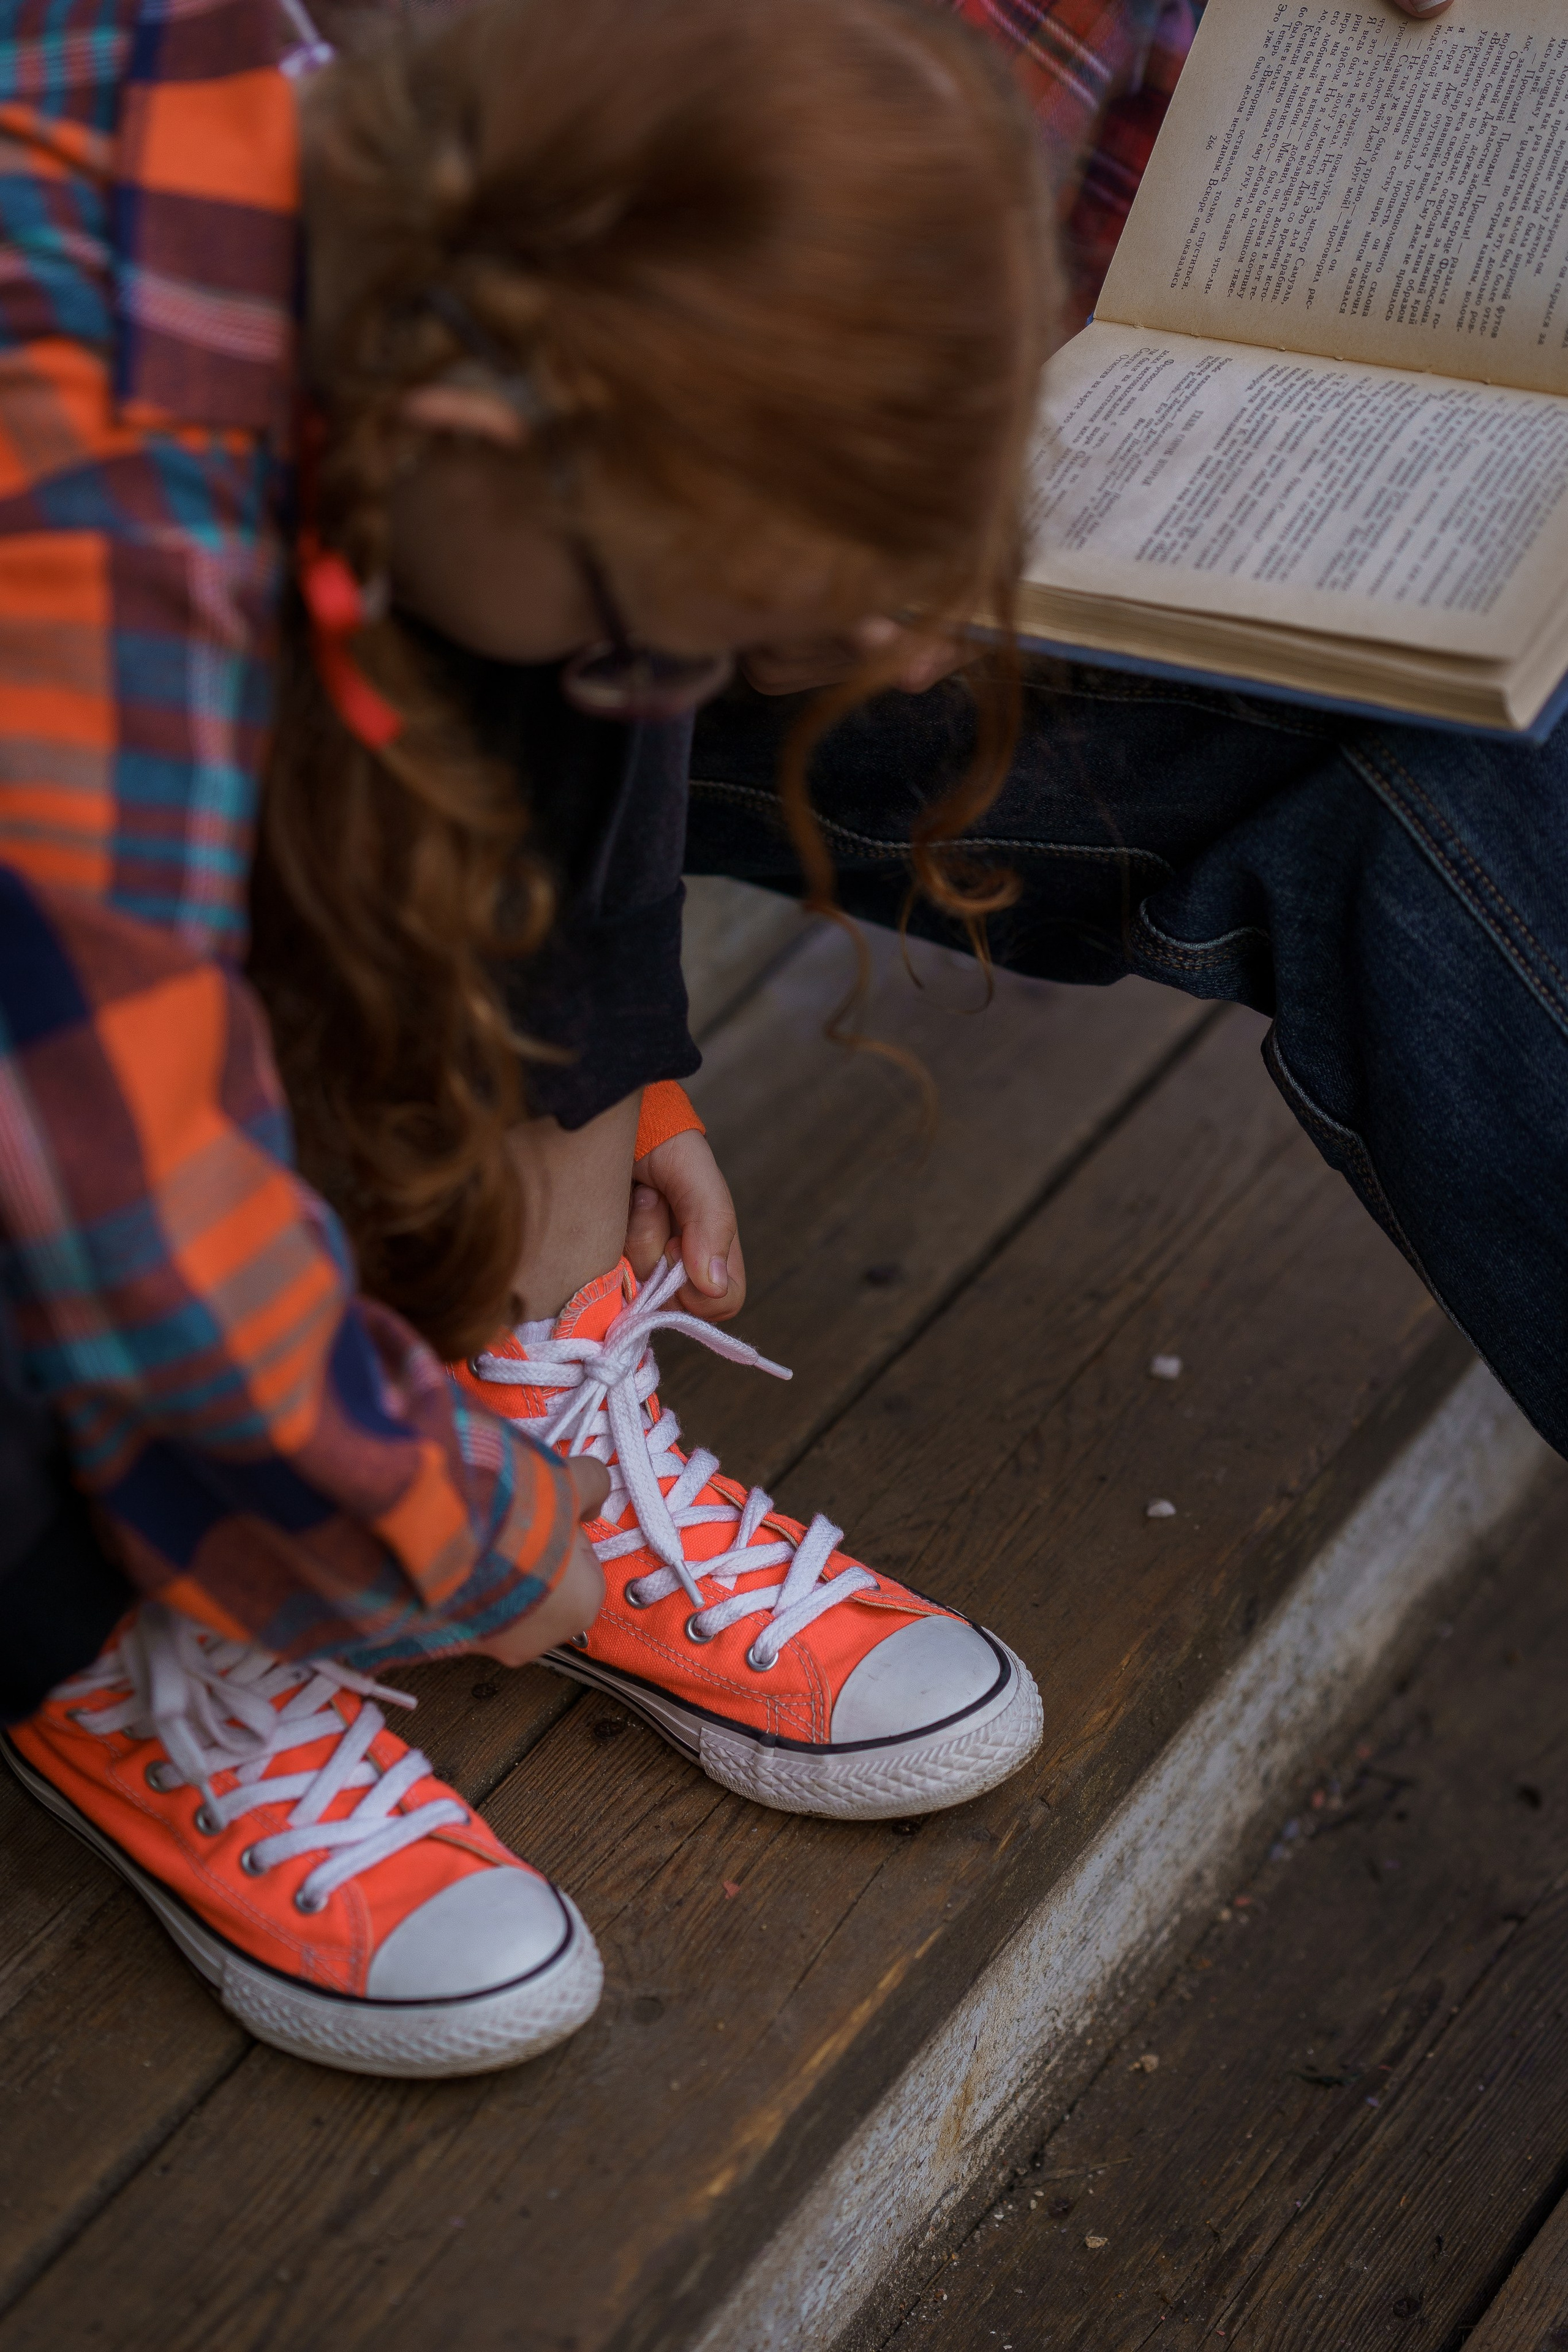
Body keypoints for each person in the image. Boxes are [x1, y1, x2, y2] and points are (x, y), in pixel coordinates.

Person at [0, 0, 1055, 2078]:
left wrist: (584, 1084)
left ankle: (516, 1329)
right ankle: (105, 1632)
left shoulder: (408, 197)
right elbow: (121, 1174)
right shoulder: (91, 496)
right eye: (693, 633)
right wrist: (448, 1538)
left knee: (567, 620)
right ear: (462, 455)